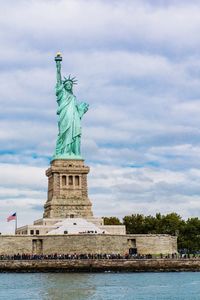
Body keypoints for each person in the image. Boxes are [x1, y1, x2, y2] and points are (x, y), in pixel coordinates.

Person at [53, 54, 89, 158]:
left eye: (70, 84)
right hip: (65, 117)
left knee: (75, 134)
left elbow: (78, 111)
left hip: (74, 118)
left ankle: (73, 153)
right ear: (64, 86)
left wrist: (82, 110)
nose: (69, 85)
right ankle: (64, 152)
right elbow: (58, 80)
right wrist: (58, 65)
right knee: (64, 134)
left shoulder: (73, 97)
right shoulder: (62, 94)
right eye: (67, 84)